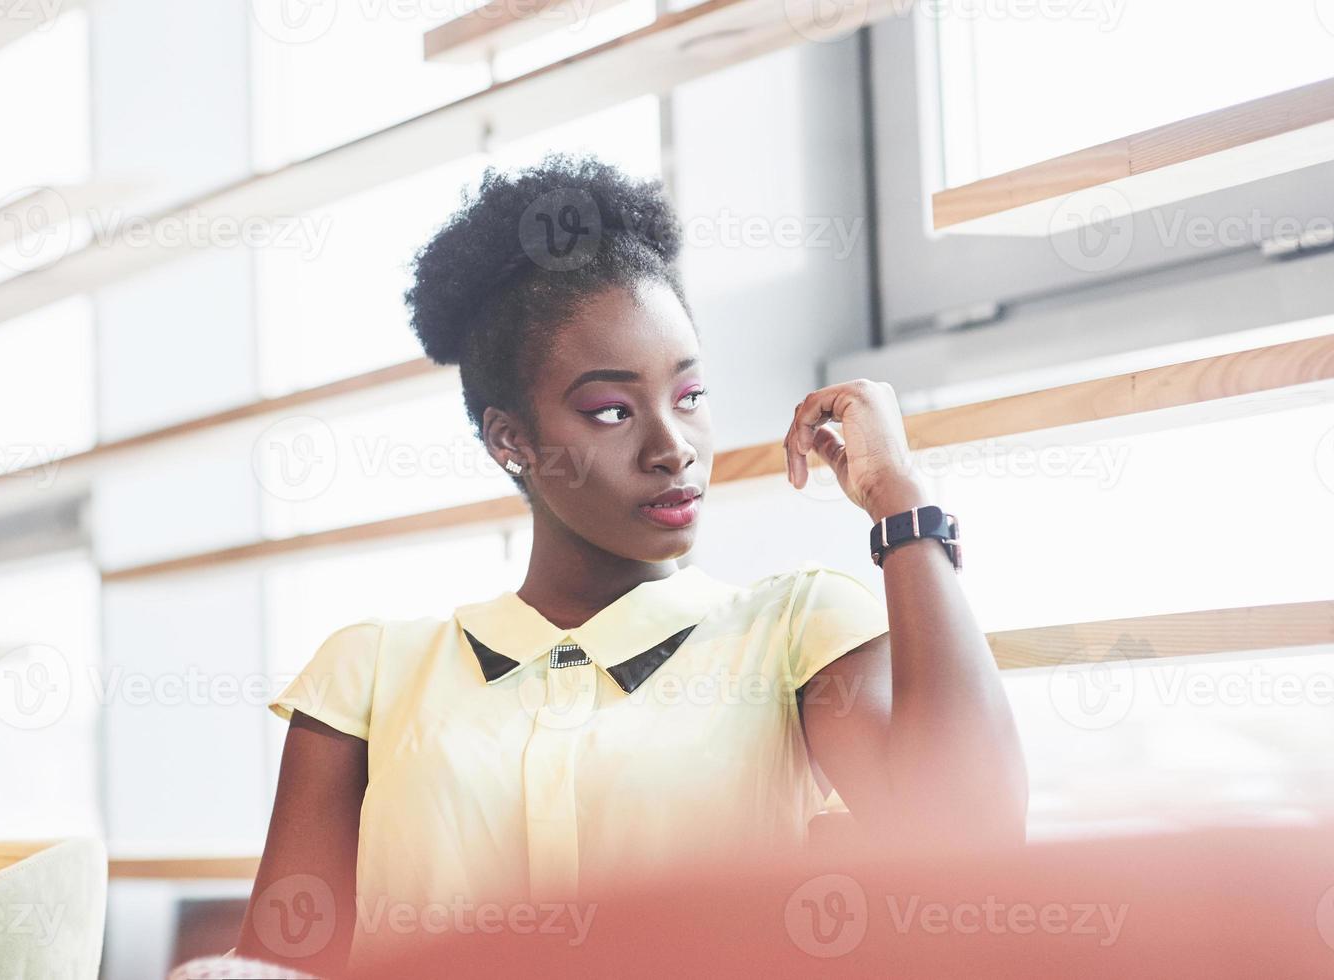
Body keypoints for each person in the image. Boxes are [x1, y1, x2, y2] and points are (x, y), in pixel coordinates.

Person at [234, 152, 1027, 975]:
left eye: (689, 396)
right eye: (612, 410)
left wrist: (902, 504)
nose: (672, 448)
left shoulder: (797, 632)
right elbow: (278, 967)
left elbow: (971, 842)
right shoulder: (369, 676)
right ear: (510, 439)